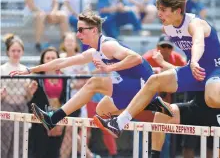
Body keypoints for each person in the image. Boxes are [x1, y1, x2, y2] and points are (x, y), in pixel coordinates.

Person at [93, 0, 220, 147]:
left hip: (214, 69)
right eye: (158, 9)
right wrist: (211, 48)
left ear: (178, 10)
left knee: (213, 99)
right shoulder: (167, 28)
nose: (159, 14)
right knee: (154, 81)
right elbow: (197, 45)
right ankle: (119, 122)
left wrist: (195, 60)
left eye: (163, 10)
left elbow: (198, 43)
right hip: (194, 69)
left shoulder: (195, 23)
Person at [10, 10, 171, 132]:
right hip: (135, 88)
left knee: (94, 82)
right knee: (102, 110)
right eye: (77, 30)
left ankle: (54, 118)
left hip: (144, 85)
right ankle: (150, 105)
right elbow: (63, 61)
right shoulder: (95, 51)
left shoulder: (107, 45)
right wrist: (31, 69)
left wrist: (110, 68)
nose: (78, 33)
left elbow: (136, 58)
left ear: (94, 30)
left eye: (81, 30)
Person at [1, 34, 37, 158]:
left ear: (22, 52)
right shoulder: (2, 69)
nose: (16, 53)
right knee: (4, 142)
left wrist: (30, 92)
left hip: (22, 107)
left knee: (21, 142)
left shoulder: (25, 70)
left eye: (18, 51)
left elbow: (27, 98)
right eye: (13, 51)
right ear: (8, 52)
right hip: (6, 106)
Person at [28, 47, 67, 158]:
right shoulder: (37, 78)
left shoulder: (64, 77)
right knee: (40, 151)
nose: (50, 60)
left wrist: (59, 122)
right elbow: (32, 102)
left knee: (54, 152)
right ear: (43, 61)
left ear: (58, 60)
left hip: (59, 118)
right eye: (47, 58)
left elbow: (66, 99)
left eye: (53, 58)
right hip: (40, 121)